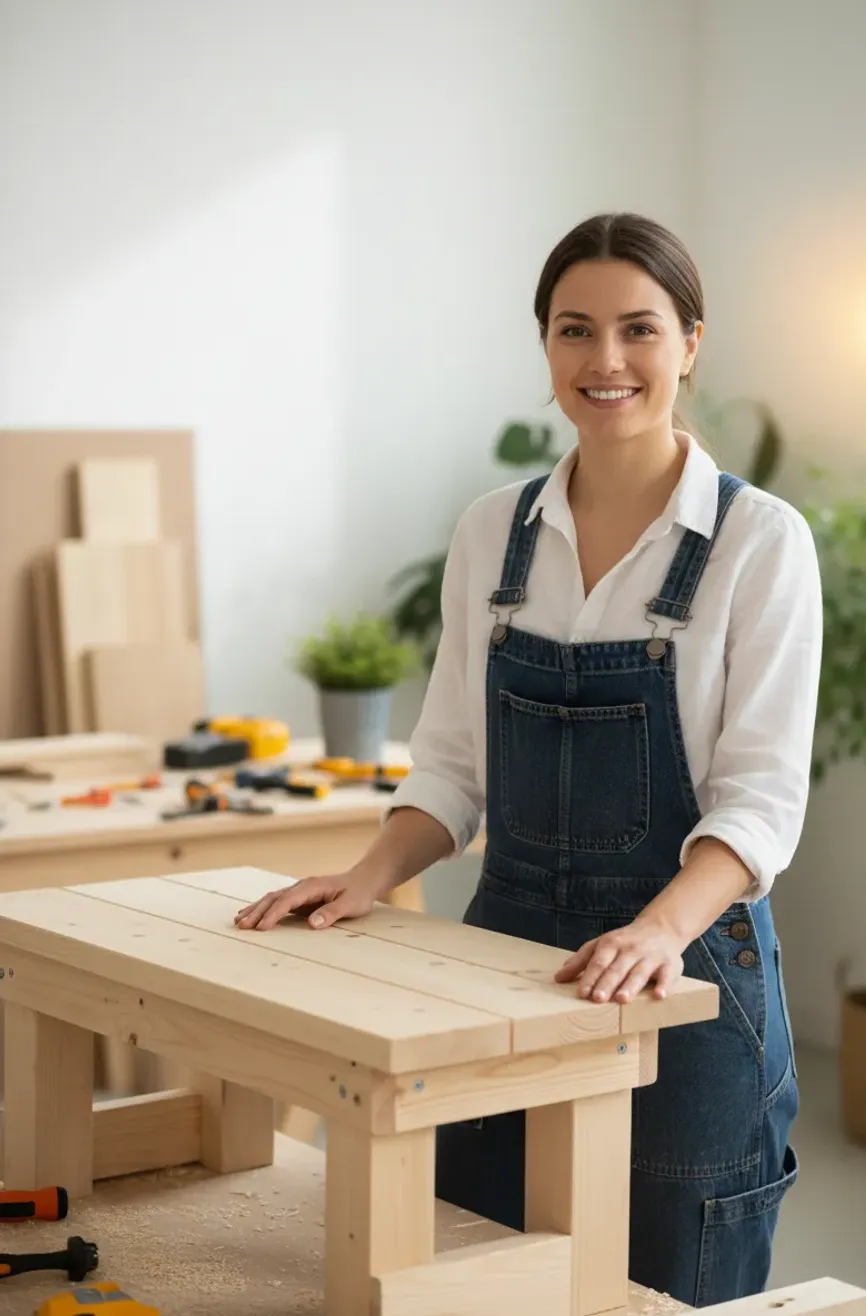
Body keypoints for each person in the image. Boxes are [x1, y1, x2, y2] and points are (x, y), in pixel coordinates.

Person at [235, 212, 823, 1308]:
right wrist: (365, 875)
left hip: (684, 978)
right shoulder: (491, 533)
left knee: (670, 1282)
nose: (606, 361)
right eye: (575, 330)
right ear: (545, 344)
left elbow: (761, 801)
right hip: (502, 964)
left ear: (692, 341)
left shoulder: (760, 541)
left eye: (639, 329)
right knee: (482, 1274)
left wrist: (655, 929)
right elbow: (452, 765)